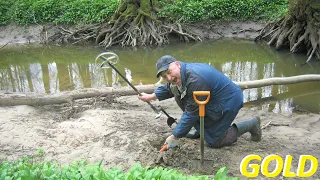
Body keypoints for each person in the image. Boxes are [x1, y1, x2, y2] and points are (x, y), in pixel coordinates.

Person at [138, 55, 261, 149]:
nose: (169, 78)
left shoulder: (195, 80)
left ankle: (252, 124)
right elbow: (169, 87)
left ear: (177, 64)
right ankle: (201, 130)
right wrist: (151, 96)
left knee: (215, 141)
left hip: (228, 100)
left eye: (169, 72)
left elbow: (192, 112)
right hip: (213, 98)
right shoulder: (181, 74)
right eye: (165, 76)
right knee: (184, 99)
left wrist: (175, 136)